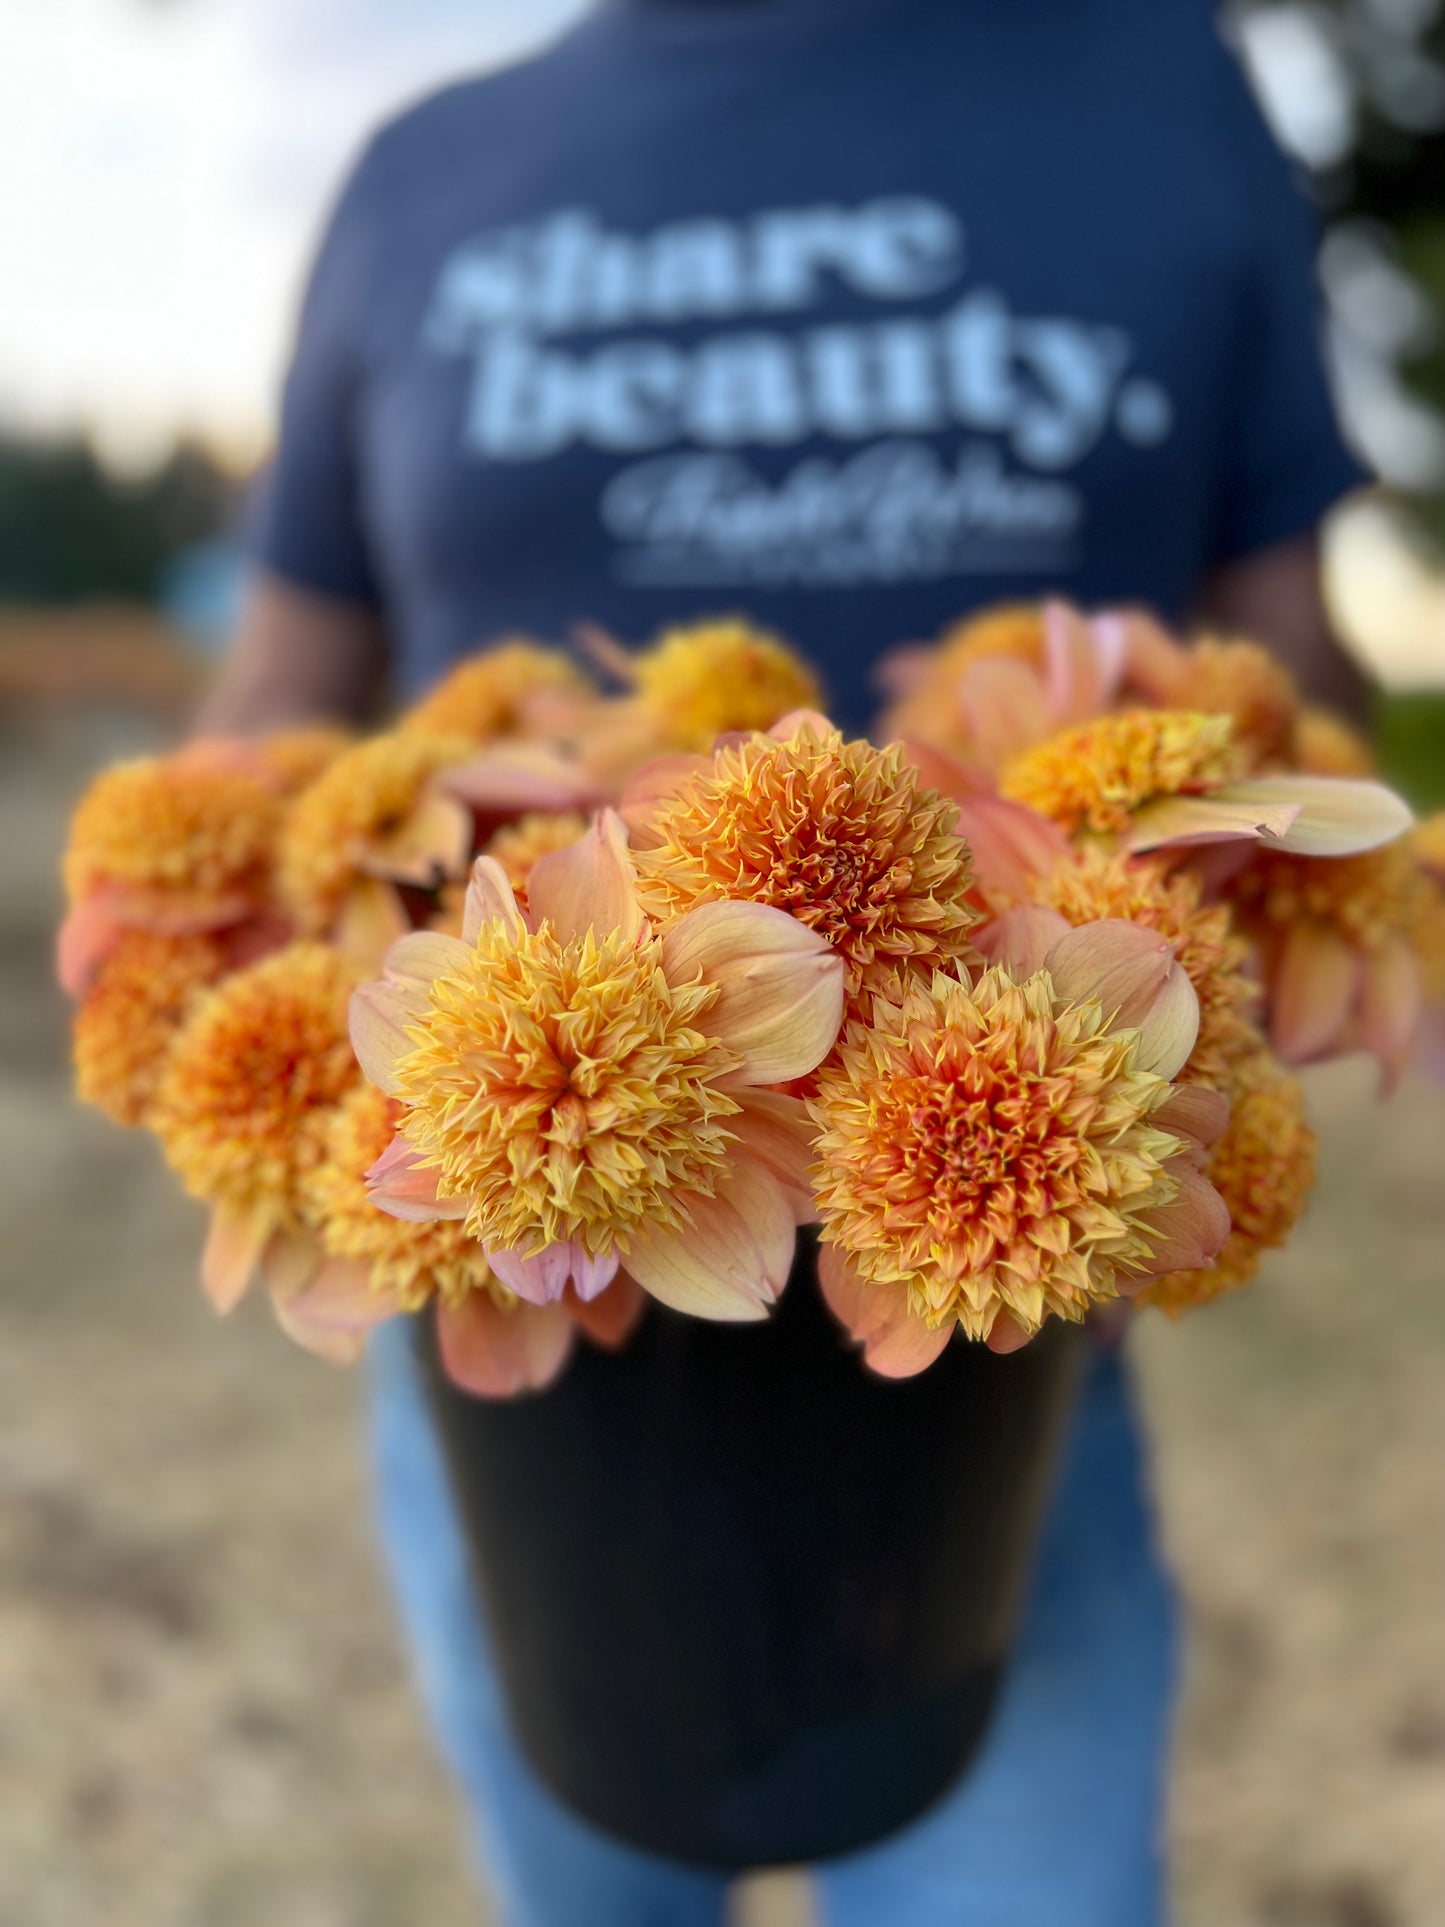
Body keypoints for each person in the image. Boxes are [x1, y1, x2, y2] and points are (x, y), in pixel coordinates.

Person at [202, 2, 1369, 1920]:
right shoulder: (420, 171)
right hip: (502, 1272)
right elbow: (284, 685)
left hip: (1000, 1334)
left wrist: (1218, 830)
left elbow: (1288, 669)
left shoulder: (1159, 83)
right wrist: (218, 895)